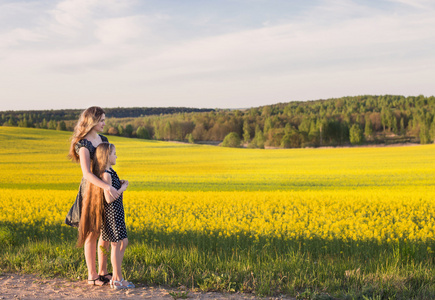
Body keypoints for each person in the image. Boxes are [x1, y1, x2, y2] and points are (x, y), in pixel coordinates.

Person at [66, 106, 121, 286]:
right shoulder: (83, 144)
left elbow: (107, 163)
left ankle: (103, 271)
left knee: (105, 233)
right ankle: (92, 275)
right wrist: (106, 186)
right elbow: (87, 174)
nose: (105, 123)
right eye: (102, 120)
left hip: (105, 187)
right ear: (93, 121)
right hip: (91, 191)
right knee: (92, 233)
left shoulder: (103, 139)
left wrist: (115, 181)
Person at [87, 142, 134, 289]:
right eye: (114, 154)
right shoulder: (106, 174)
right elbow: (108, 198)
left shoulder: (111, 171)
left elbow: (113, 188)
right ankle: (117, 279)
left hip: (117, 212)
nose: (116, 156)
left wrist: (120, 184)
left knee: (123, 243)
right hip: (113, 214)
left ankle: (116, 276)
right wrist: (122, 189)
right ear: (107, 156)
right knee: (116, 244)